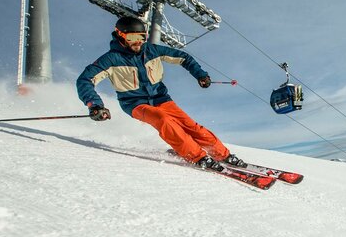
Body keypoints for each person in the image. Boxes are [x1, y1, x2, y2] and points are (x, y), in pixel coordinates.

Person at [76, 15, 245, 172]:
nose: (138, 42)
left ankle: (223, 155)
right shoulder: (110, 59)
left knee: (190, 126)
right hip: (134, 103)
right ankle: (197, 157)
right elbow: (85, 80)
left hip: (161, 98)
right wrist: (94, 104)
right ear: (120, 35)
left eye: (141, 37)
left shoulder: (151, 50)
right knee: (163, 120)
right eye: (132, 38)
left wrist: (200, 74)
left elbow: (183, 57)